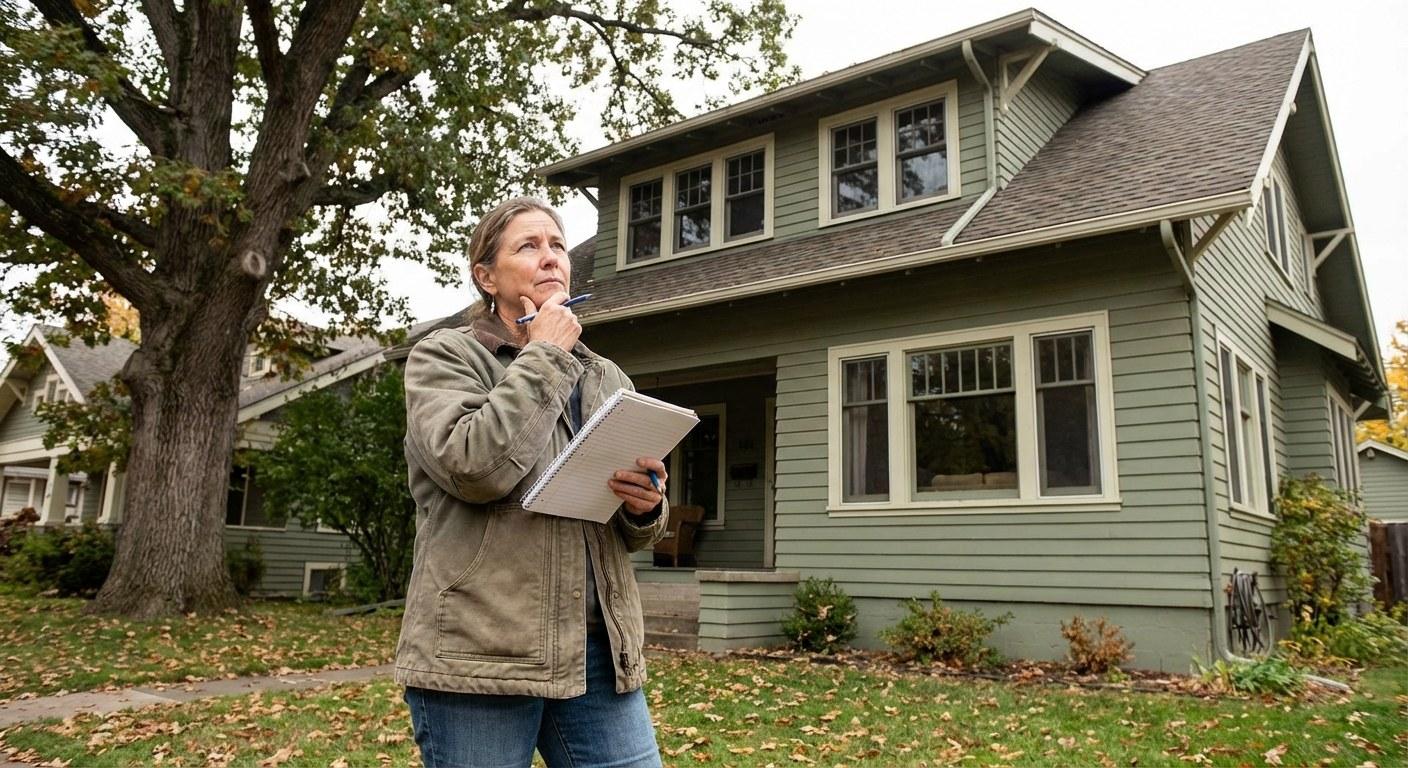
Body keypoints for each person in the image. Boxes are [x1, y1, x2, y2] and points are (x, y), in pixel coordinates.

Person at [395, 196, 670, 767]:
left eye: (558, 246)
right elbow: (475, 466)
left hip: (596, 651)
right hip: (481, 654)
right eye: (529, 246)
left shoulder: (604, 375)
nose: (551, 259)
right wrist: (544, 351)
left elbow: (627, 528)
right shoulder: (443, 358)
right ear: (486, 277)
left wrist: (644, 508)